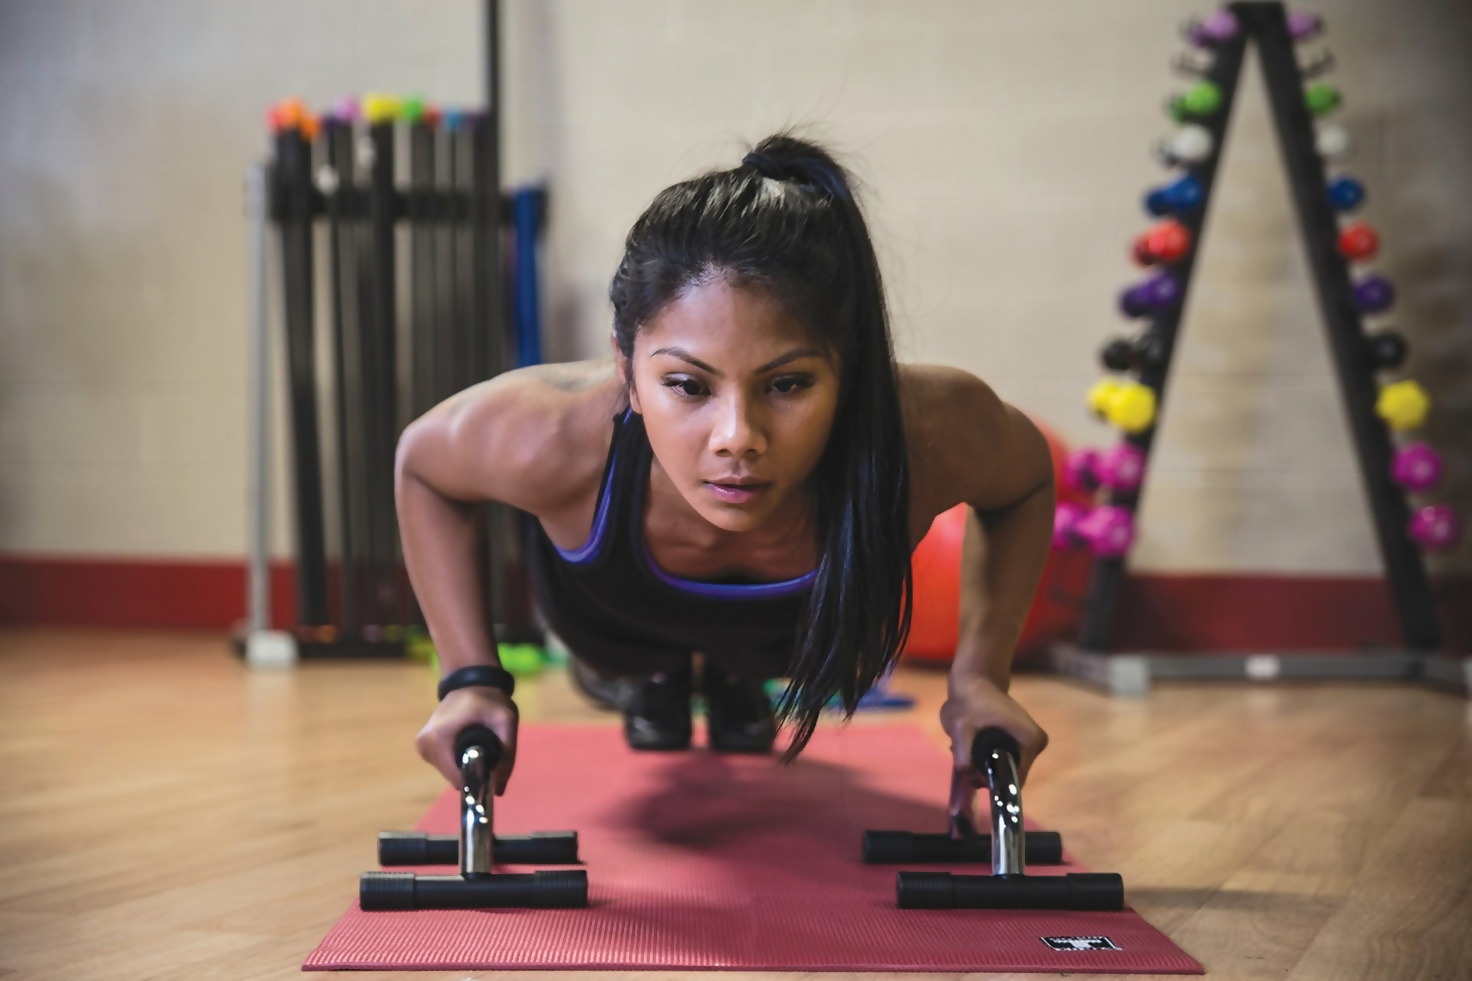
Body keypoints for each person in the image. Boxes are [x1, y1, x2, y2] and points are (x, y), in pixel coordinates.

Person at [395, 133, 1055, 811]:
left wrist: (981, 675)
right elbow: (423, 466)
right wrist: (469, 678)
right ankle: (669, 676)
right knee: (646, 670)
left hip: (792, 645)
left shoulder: (925, 431)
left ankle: (732, 679)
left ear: (846, 369)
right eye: (687, 384)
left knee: (768, 669)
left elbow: (1027, 478)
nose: (738, 438)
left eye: (788, 384)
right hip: (617, 631)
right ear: (625, 366)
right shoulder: (552, 433)